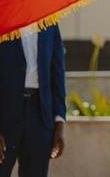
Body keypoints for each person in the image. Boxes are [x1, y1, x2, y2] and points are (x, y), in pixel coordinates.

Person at [0, 24, 66, 177]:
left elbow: (57, 72)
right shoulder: (4, 16)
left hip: (40, 117)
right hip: (5, 117)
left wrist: (59, 123)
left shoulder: (49, 22)